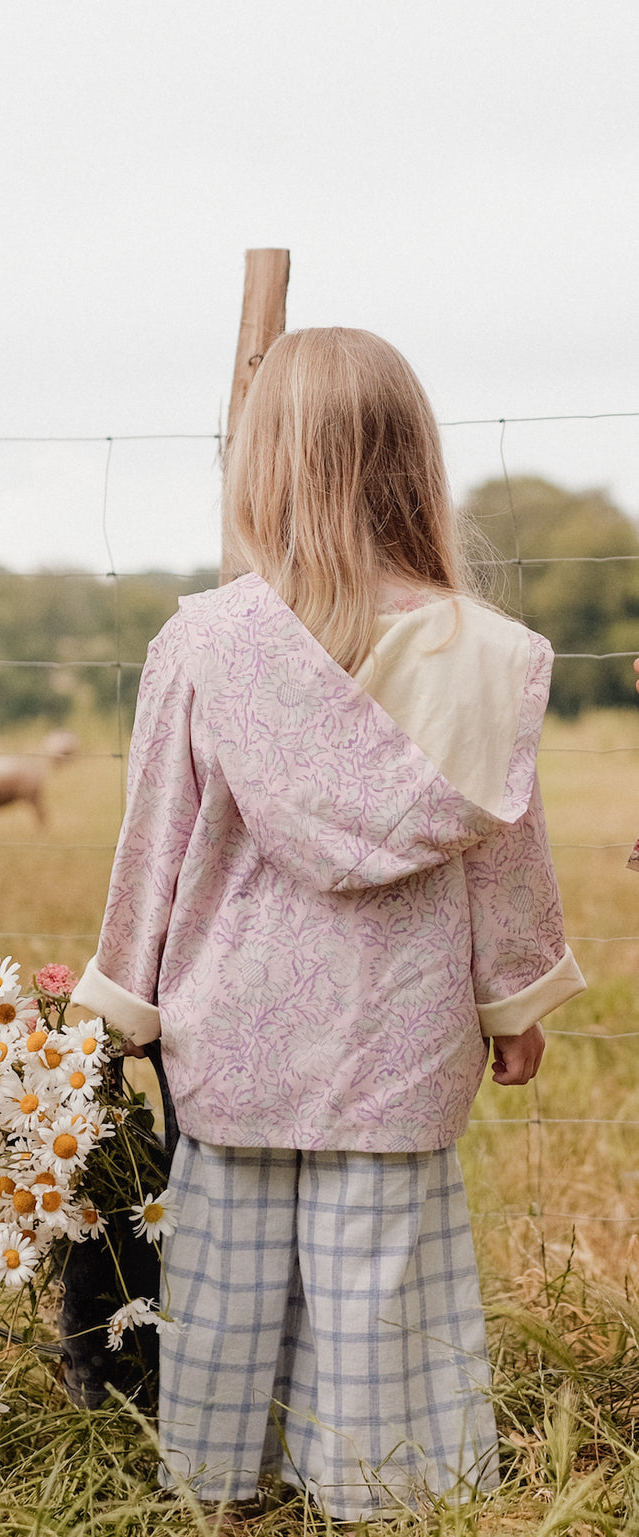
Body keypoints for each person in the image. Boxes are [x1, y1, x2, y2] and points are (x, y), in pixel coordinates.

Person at [71, 327, 586, 1529]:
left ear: (257, 468)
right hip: (398, 1033)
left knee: (229, 1271)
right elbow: (506, 859)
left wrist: (123, 1003)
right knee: (378, 1273)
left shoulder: (205, 644)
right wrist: (511, 1003)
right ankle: (380, 1491)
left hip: (231, 1023)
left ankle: (220, 1484)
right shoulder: (488, 654)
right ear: (413, 463)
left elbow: (152, 841)